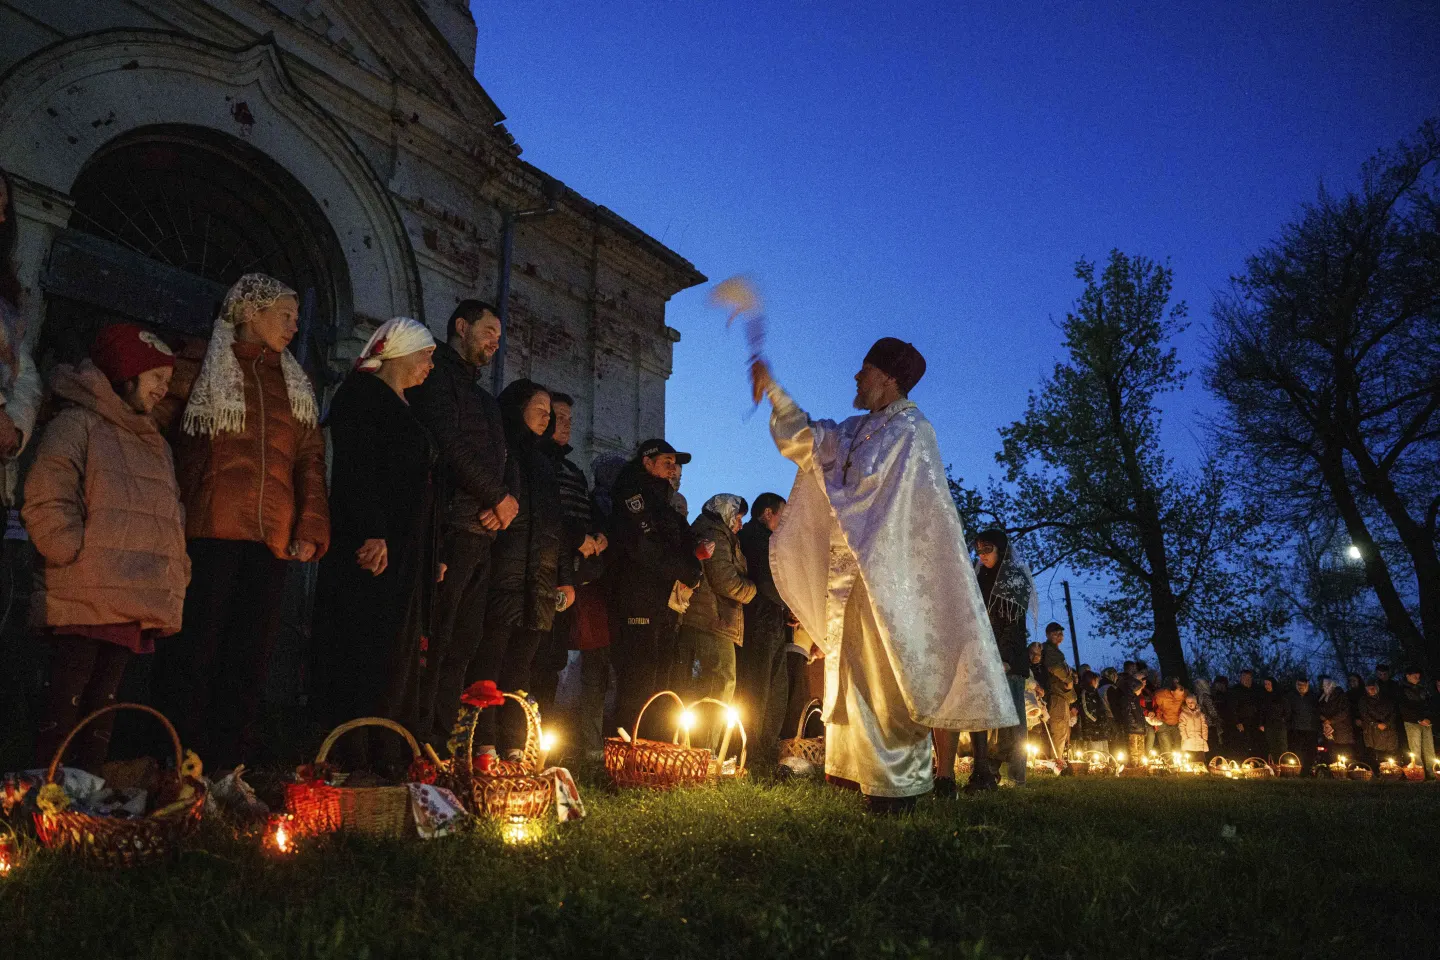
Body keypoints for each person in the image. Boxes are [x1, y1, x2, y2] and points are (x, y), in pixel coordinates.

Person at [753, 339, 1014, 811]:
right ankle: (865, 778)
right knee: (852, 680)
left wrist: (839, 493)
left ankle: (902, 788)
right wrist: (775, 392)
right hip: (850, 580)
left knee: (891, 681)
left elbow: (884, 501)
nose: (856, 377)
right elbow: (809, 439)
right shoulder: (856, 430)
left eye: (865, 370)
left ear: (890, 378)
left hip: (893, 581)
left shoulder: (913, 431)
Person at [161, 273, 329, 769]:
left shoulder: (293, 384)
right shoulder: (198, 363)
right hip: (208, 528)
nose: (294, 327)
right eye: (285, 315)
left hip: (269, 539)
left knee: (249, 657)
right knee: (195, 650)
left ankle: (229, 765)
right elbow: (152, 425)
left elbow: (309, 459)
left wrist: (310, 526)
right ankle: (179, 762)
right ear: (250, 312)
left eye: (297, 318)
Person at [24, 325, 187, 771]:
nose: (163, 389)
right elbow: (48, 490)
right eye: (155, 377)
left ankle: (87, 798)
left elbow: (170, 512)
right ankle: (48, 793)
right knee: (66, 700)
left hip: (131, 596)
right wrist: (68, 551)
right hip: (85, 590)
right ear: (125, 375)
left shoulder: (152, 441)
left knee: (105, 704)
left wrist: (176, 571)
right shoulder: (79, 423)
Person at [311, 318, 438, 744]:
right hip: (375, 543)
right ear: (398, 353)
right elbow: (357, 470)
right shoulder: (362, 396)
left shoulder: (408, 406)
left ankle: (390, 745)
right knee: (366, 642)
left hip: (405, 545)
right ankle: (355, 749)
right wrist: (372, 531)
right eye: (426, 355)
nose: (430, 365)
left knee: (396, 647)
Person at [407, 300, 515, 749]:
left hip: (484, 532)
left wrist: (506, 503)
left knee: (463, 643)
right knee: (436, 639)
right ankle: (415, 741)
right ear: (461, 327)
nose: (495, 341)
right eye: (489, 330)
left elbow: (500, 461)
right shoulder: (438, 380)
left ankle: (441, 743)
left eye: (499, 334)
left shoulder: (485, 399)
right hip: (451, 528)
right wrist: (496, 497)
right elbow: (448, 445)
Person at [472, 380, 572, 758]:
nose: (547, 417)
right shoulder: (501, 449)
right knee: (489, 664)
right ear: (518, 408)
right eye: (540, 409)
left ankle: (515, 745)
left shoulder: (546, 463)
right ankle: (482, 743)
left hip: (539, 582)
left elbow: (554, 525)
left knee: (520, 670)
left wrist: (564, 576)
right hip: (503, 575)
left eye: (550, 412)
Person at [608, 438, 705, 739]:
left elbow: (679, 541)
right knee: (639, 676)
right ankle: (628, 750)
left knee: (661, 677)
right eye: (667, 462)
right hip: (638, 599)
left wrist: (695, 555)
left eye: (675, 464)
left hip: (663, 602)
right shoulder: (632, 496)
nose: (673, 469)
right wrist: (687, 567)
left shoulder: (664, 504)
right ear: (647, 463)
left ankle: (655, 748)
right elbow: (645, 548)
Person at [531, 392, 607, 729]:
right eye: (557, 417)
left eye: (568, 420)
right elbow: (548, 515)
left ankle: (543, 736)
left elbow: (581, 515)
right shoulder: (537, 462)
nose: (564, 425)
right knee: (533, 653)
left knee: (554, 656)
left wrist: (597, 536)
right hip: (540, 570)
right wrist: (578, 538)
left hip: (569, 573)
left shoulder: (573, 471)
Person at [949, 528, 1034, 794]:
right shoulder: (979, 577)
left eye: (988, 550)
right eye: (979, 550)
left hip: (1008, 658)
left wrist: (1006, 659)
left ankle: (1017, 775)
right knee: (989, 717)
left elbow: (1013, 623)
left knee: (1014, 720)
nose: (982, 555)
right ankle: (988, 770)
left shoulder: (1014, 579)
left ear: (1001, 549)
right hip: (983, 656)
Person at [677, 494, 756, 750]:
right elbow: (725, 581)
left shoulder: (714, 532)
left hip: (710, 618)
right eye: (739, 517)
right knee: (720, 682)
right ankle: (705, 751)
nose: (741, 524)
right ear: (726, 513)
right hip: (712, 619)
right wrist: (753, 591)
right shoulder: (715, 535)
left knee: (711, 683)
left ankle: (699, 748)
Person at [735, 492, 791, 770]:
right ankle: (752, 749)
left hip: (772, 620)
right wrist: (791, 605)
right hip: (759, 621)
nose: (786, 521)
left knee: (776, 687)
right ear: (768, 513)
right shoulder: (755, 538)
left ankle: (766, 747)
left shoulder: (768, 540)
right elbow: (767, 579)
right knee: (758, 687)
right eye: (783, 514)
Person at [1040, 622, 1074, 760]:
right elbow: (1054, 667)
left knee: (1062, 729)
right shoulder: (1049, 650)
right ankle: (1056, 761)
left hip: (1060, 694)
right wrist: (1068, 680)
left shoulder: (1054, 650)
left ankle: (1056, 759)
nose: (1059, 636)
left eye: (1060, 633)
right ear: (1048, 635)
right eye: (1055, 634)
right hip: (1056, 693)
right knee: (1059, 728)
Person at [1397, 667, 1435, 779]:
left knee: (1429, 748)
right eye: (1415, 676)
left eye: (1418, 676)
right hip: (1412, 722)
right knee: (1416, 749)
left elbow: (1429, 704)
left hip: (1426, 722)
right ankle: (1419, 774)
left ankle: (1432, 772)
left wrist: (1428, 718)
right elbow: (1404, 707)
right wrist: (1419, 719)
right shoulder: (1401, 690)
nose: (1417, 678)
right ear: (1407, 676)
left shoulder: (1422, 688)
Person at [1357, 678, 1399, 766]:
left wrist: (1387, 723)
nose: (1371, 690)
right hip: (1373, 732)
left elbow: (1393, 712)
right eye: (1369, 688)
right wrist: (1376, 724)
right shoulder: (1364, 700)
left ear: (1377, 687)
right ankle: (1380, 771)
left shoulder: (1387, 698)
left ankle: (1392, 772)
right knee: (1378, 753)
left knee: (1391, 753)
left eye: (1373, 688)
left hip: (1389, 730)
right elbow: (1365, 715)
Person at [1073, 670, 1112, 757]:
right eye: (1097, 680)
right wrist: (1096, 721)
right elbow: (1085, 709)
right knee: (1095, 753)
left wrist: (1103, 722)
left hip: (1101, 729)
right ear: (1092, 680)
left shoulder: (1095, 692)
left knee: (1105, 753)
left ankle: (1106, 768)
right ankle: (1096, 768)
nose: (1098, 683)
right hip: (1092, 730)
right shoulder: (1085, 692)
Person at [1285, 677, 1321, 773]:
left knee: (1310, 752)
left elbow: (1317, 712)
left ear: (1307, 685)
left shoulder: (1313, 697)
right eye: (1299, 685)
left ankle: (1308, 770)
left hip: (1311, 729)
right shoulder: (1291, 696)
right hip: (1296, 729)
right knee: (1296, 751)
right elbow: (1287, 712)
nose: (1301, 687)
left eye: (1303, 685)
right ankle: (1296, 770)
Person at [1318, 676, 1355, 764]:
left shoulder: (1340, 696)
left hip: (1342, 729)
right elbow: (1320, 709)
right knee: (1331, 750)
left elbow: (1344, 712)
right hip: (1329, 729)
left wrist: (1331, 720)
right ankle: (1334, 769)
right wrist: (1322, 717)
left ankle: (1344, 769)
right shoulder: (1323, 697)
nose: (1323, 688)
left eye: (1325, 686)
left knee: (1343, 751)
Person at [1230, 669, 1261, 759]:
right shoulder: (1235, 690)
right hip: (1242, 722)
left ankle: (1253, 763)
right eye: (1244, 678)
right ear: (1241, 678)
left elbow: (1259, 707)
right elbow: (1232, 708)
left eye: (1248, 678)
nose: (1246, 680)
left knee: (1254, 744)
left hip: (1254, 722)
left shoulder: (1255, 690)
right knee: (1242, 744)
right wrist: (1237, 722)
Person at [1153, 676, 1186, 755]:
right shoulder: (1160, 695)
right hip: (1163, 723)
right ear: (1172, 692)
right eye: (1178, 695)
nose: (1180, 697)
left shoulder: (1185, 695)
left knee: (1178, 746)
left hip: (1176, 723)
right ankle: (1167, 764)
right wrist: (1158, 718)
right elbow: (1155, 707)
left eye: (1181, 695)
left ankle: (1178, 765)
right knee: (1166, 747)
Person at [1259, 676, 1289, 763]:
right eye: (1265, 684)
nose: (1267, 686)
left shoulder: (1281, 697)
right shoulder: (1264, 697)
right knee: (1271, 746)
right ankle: (1274, 765)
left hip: (1280, 725)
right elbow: (1262, 712)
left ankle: (1283, 765)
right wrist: (1261, 724)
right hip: (1268, 725)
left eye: (1269, 684)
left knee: (1282, 746)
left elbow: (1287, 710)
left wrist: (1284, 719)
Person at [1178, 693, 1209, 763]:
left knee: (1200, 758)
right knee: (1189, 758)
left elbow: (1204, 726)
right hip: (1188, 739)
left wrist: (1204, 737)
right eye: (1188, 702)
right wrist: (1185, 737)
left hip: (1199, 739)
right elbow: (1181, 726)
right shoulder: (1183, 714)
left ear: (1195, 702)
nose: (1190, 704)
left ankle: (1201, 771)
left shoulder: (1200, 714)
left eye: (1192, 702)